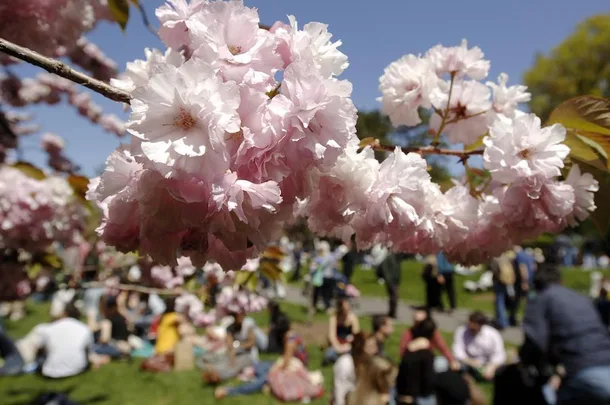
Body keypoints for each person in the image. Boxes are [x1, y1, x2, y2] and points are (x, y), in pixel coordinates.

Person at [520, 265, 610, 405]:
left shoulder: (541, 300)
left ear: (536, 284)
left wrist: (525, 364)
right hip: (606, 362)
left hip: (583, 370)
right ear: (560, 281)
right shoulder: (580, 298)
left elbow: (535, 343)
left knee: (548, 395)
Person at [214, 313, 309, 398]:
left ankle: (231, 391)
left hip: (294, 368)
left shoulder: (290, 342)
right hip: (293, 364)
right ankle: (264, 383)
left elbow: (286, 364)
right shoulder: (294, 335)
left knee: (264, 378)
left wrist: (273, 371)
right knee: (259, 366)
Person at [40, 303, 96, 378]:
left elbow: (41, 349)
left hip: (49, 370)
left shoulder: (48, 328)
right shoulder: (84, 328)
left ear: (64, 313)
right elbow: (88, 351)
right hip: (78, 368)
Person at [399, 306, 458, 371]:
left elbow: (442, 347)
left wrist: (452, 360)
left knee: (442, 362)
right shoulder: (408, 333)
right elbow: (402, 352)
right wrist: (414, 346)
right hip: (413, 362)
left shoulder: (431, 331)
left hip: (428, 361)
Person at [452, 311, 506, 382]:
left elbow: (499, 354)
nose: (470, 327)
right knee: (455, 366)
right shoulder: (461, 331)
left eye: (473, 326)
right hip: (469, 362)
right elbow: (457, 351)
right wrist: (471, 362)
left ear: (481, 325)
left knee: (503, 370)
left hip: (488, 363)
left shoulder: (493, 334)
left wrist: (491, 367)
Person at [396, 318, 438, 405]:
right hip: (416, 396)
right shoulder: (427, 354)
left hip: (401, 392)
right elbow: (429, 380)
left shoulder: (409, 348)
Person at [333, 332, 380, 405]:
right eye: (371, 347)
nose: (375, 350)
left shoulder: (372, 364)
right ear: (359, 349)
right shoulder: (346, 363)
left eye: (375, 346)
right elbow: (340, 394)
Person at [310, 241, 346, 312]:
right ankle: (316, 306)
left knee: (326, 293)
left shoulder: (326, 257)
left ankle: (326, 306)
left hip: (327, 277)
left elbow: (333, 265)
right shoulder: (323, 257)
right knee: (319, 293)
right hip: (322, 278)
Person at [324, 298, 360, 365]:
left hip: (349, 345)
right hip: (337, 345)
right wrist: (338, 347)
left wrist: (348, 346)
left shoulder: (353, 318)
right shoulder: (334, 318)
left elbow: (356, 336)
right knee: (329, 354)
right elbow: (332, 336)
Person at [489, 252, 515, 330]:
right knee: (502, 301)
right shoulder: (506, 258)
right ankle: (502, 321)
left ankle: (502, 322)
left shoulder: (495, 258)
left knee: (499, 302)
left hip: (499, 282)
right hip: (506, 282)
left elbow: (493, 270)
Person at [510, 246, 534, 326]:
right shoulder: (529, 255)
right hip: (530, 281)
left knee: (517, 301)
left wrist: (524, 282)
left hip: (521, 283)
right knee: (528, 301)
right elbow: (534, 267)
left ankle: (513, 319)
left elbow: (522, 268)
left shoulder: (519, 256)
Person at [378, 250, 401, 319]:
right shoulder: (389, 258)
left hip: (395, 281)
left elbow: (397, 271)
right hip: (391, 281)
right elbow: (384, 267)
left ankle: (392, 312)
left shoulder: (396, 258)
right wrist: (388, 278)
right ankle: (392, 313)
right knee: (394, 297)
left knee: (394, 297)